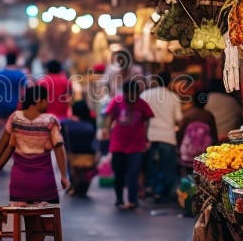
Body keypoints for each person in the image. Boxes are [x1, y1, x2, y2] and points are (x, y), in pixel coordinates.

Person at [0, 85, 70, 241]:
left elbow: (5, 147)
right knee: (52, 225)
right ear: (38, 101)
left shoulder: (15, 119)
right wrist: (63, 175)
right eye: (46, 100)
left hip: (20, 183)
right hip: (43, 182)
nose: (48, 104)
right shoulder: (50, 121)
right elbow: (59, 147)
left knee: (29, 223)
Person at [104, 79, 153, 210]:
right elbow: (109, 117)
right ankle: (119, 198)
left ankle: (132, 200)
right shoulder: (117, 101)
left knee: (133, 173)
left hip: (136, 145)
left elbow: (147, 120)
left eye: (134, 94)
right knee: (119, 174)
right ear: (124, 93)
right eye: (129, 94)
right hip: (118, 145)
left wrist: (146, 137)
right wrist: (107, 132)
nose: (132, 97)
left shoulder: (142, 104)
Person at [141, 71, 183, 202]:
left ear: (155, 81)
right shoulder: (174, 97)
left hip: (150, 136)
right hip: (168, 137)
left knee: (151, 166)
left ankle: (154, 190)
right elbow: (179, 119)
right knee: (167, 167)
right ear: (170, 82)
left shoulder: (145, 95)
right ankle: (162, 192)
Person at [61, 100, 97, 196]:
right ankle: (82, 188)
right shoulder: (91, 123)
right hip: (89, 154)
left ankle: (74, 186)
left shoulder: (67, 124)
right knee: (85, 173)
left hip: (72, 153)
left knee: (75, 172)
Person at [178, 88, 219, 170]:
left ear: (193, 100)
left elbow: (180, 135)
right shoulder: (208, 116)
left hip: (188, 157)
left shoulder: (187, 115)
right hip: (204, 156)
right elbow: (214, 136)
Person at [0, 51, 28, 122]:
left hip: (1, 107)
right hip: (16, 107)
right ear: (15, 60)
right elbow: (24, 92)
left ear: (6, 60)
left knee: (1, 130)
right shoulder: (21, 74)